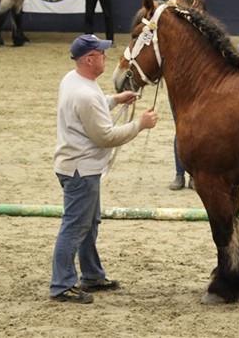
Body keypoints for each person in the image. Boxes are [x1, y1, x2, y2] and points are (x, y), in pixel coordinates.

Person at [50, 34, 158, 304]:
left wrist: (115, 100)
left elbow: (93, 105)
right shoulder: (85, 93)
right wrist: (140, 124)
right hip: (81, 170)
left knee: (88, 223)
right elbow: (106, 137)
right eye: (101, 53)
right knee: (75, 227)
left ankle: (92, 274)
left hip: (76, 166)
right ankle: (62, 285)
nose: (106, 57)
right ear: (89, 59)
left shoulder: (74, 80)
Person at [168, 0, 207, 191]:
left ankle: (194, 174)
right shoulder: (179, 34)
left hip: (201, 88)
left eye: (199, 9)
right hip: (182, 87)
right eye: (193, 8)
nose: (196, 12)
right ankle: (179, 173)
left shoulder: (209, 33)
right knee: (180, 129)